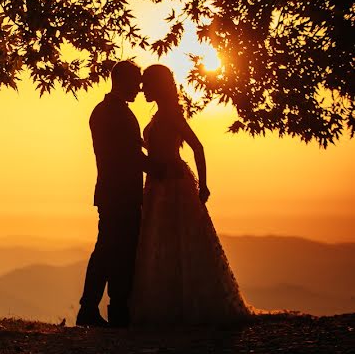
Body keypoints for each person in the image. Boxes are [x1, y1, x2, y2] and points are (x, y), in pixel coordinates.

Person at [131, 64, 252, 325]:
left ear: (157, 86)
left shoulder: (171, 113)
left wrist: (204, 184)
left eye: (146, 84)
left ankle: (183, 304)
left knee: (178, 241)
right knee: (162, 242)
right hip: (156, 183)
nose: (142, 90)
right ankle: (168, 303)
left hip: (173, 183)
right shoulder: (161, 115)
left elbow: (198, 147)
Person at [77, 60, 146, 328]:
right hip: (119, 193)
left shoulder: (103, 111)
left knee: (116, 250)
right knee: (111, 250)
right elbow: (128, 157)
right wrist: (162, 168)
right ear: (124, 80)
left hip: (112, 192)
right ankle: (93, 309)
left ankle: (111, 308)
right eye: (137, 82)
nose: (140, 89)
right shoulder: (116, 114)